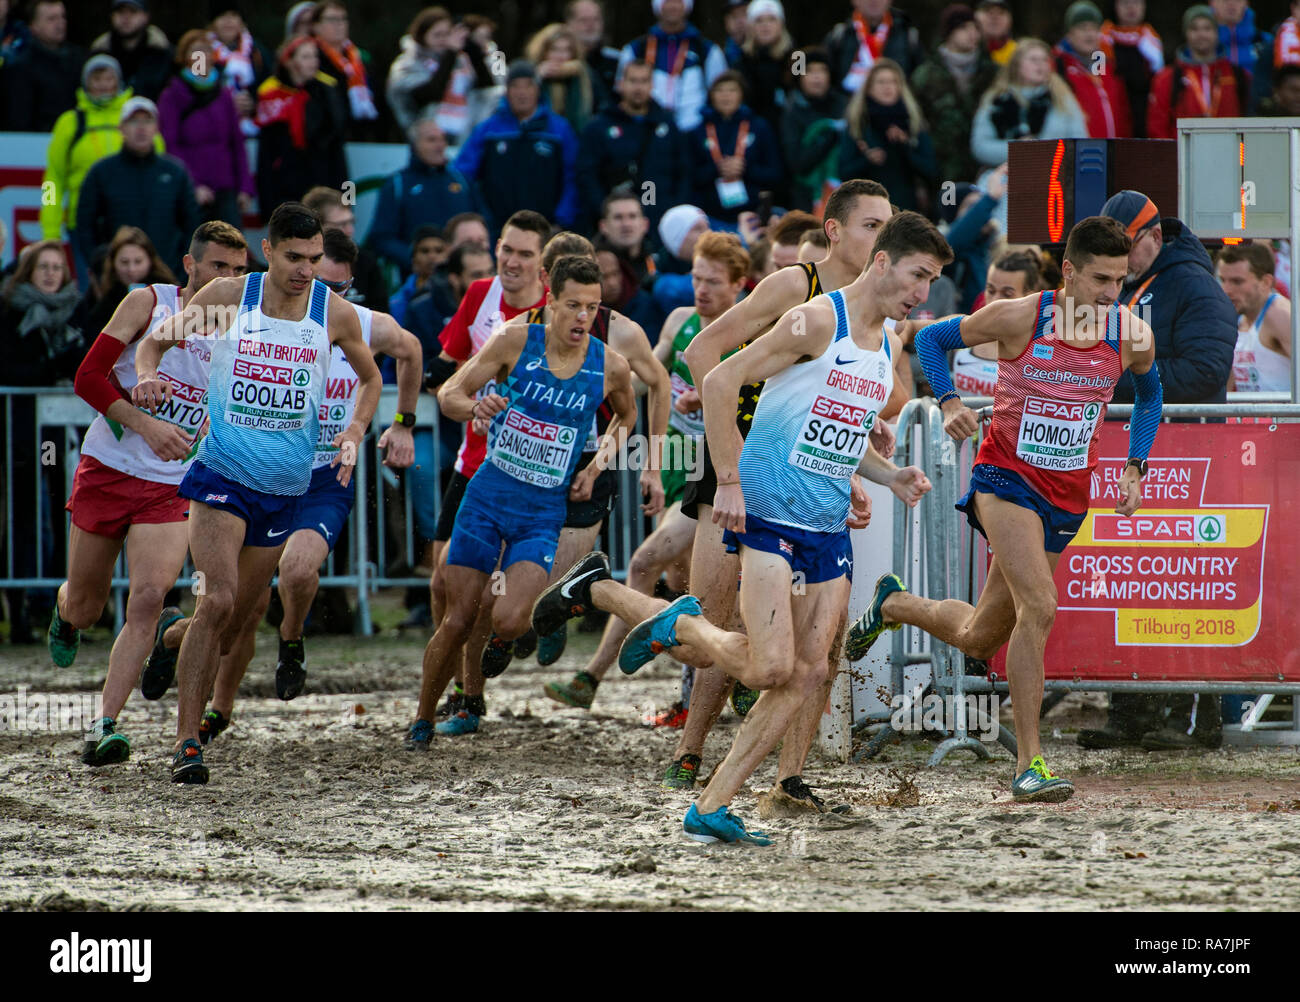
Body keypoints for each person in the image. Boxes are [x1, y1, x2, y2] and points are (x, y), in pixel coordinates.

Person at [536, 212, 941, 843]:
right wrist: (726, 480)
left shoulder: (888, 343)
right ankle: (664, 616)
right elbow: (721, 378)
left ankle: (713, 804)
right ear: (883, 262)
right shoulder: (814, 318)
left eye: (934, 282)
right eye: (919, 276)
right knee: (769, 668)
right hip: (769, 511)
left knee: (808, 673)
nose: (923, 294)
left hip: (827, 523)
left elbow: (835, 427)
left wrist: (889, 477)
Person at [853, 214, 1162, 802]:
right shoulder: (1022, 316)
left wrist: (1135, 466)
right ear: (1067, 271)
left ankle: (892, 604)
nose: (1109, 294)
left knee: (977, 637)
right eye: (1099, 279)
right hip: (1005, 480)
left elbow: (1151, 394)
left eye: (1120, 281)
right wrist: (945, 401)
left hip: (1067, 496)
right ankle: (1030, 764)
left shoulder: (1129, 333)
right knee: (1039, 607)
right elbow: (931, 340)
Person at [659, 180, 901, 795]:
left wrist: (845, 456)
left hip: (811, 479)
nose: (885, 236)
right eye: (874, 225)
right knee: (717, 619)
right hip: (742, 468)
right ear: (836, 231)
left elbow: (839, 394)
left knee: (823, 640)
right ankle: (691, 751)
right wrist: (744, 437)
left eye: (889, 224)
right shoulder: (798, 284)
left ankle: (791, 775)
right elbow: (706, 352)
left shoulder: (873, 309)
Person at [131, 202, 380, 784]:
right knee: (216, 600)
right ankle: (187, 742)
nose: (306, 270)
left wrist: (356, 429)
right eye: (295, 258)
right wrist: (147, 376)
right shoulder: (227, 298)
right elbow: (155, 344)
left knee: (237, 619)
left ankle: (170, 636)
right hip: (221, 474)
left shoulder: (333, 312)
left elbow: (371, 378)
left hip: (286, 487)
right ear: (268, 251)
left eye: (316, 259)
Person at [407, 256, 637, 748]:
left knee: (511, 619)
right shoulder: (515, 339)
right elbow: (449, 392)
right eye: (572, 304)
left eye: (592, 308)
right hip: (487, 498)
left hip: (542, 512)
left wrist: (596, 467)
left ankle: (497, 649)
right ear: (549, 299)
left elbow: (626, 419)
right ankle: (424, 717)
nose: (581, 317)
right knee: (458, 618)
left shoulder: (609, 365)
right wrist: (475, 407)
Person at [49, 222, 248, 765]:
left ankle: (103, 724)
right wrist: (144, 424)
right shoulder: (148, 302)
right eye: (216, 268)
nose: (227, 281)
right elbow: (88, 377)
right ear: (189, 265)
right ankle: (65, 610)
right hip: (109, 466)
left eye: (237, 271)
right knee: (88, 606)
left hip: (170, 487)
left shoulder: (243, 328)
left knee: (147, 599)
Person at [543, 231, 742, 711]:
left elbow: (760, 402)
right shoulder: (680, 318)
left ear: (739, 284)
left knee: (648, 566)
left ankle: (594, 676)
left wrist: (714, 398)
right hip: (676, 465)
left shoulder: (747, 329)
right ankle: (706, 688)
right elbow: (646, 373)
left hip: (715, 473)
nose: (701, 289)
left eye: (713, 281)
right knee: (680, 584)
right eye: (696, 277)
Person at [1071, 190, 1235, 752]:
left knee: (1186, 582)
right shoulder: (1119, 284)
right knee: (1135, 577)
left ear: (1155, 238)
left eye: (1128, 246)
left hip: (1191, 451)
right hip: (1135, 450)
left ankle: (1197, 719)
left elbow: (1207, 369)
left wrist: (1107, 377)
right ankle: (1132, 715)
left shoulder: (1192, 285)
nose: (1118, 258)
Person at [512, 232, 670, 685]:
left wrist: (653, 464)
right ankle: (517, 624)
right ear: (549, 284)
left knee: (563, 571)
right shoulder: (522, 328)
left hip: (591, 457)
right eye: (569, 294)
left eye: (589, 296)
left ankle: (550, 617)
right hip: (532, 460)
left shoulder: (618, 328)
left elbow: (658, 384)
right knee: (516, 568)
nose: (581, 308)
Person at [417, 211, 550, 715]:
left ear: (544, 264)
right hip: (472, 464)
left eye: (525, 254)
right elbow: (445, 370)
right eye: (506, 250)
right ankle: (457, 687)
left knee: (488, 598)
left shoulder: (554, 310)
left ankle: (472, 696)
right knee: (441, 586)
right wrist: (462, 400)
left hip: (526, 474)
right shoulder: (478, 296)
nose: (512, 262)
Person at [0, 241, 85, 643]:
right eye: (42, 267)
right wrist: (56, 362)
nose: (51, 274)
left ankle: (54, 604)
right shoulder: (11, 312)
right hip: (20, 431)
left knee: (57, 507)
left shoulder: (77, 311)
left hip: (57, 438)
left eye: (57, 267)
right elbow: (17, 369)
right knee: (23, 513)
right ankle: (19, 608)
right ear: (28, 272)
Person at [39, 54, 144, 277]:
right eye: (97, 79)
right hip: (83, 224)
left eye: (109, 78)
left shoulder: (139, 117)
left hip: (132, 222)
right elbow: (52, 180)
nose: (104, 85)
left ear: (119, 81)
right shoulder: (71, 122)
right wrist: (51, 228)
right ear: (86, 84)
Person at [75, 97, 200, 283]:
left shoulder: (175, 172)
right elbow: (85, 225)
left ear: (156, 127)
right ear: (121, 128)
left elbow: (192, 225)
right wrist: (102, 266)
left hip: (167, 277)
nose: (141, 128)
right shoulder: (102, 172)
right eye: (133, 121)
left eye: (147, 121)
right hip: (117, 281)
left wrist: (182, 270)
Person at [454, 60, 580, 231]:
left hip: (546, 228)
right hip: (496, 229)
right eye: (515, 86)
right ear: (506, 91)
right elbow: (462, 174)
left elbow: (572, 176)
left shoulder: (559, 130)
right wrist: (478, 216)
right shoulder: (488, 130)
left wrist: (562, 219)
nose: (522, 93)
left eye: (528, 86)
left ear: (538, 89)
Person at [576, 59, 689, 232]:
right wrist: (604, 210)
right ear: (621, 84)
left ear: (652, 85)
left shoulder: (668, 124)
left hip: (659, 219)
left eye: (644, 81)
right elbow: (587, 174)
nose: (638, 88)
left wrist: (672, 210)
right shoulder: (599, 126)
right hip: (615, 221)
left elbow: (683, 171)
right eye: (633, 81)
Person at [158, 29, 255, 229]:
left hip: (225, 187)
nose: (201, 57)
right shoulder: (171, 96)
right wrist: (192, 185)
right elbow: (170, 145)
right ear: (184, 58)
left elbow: (236, 143)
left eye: (205, 51)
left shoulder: (223, 94)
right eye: (195, 52)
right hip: (190, 192)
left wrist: (245, 187)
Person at [365, 115, 478, 276]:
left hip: (463, 276)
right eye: (432, 140)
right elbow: (381, 237)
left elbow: (485, 224)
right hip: (417, 282)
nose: (440, 146)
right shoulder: (397, 184)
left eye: (442, 139)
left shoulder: (462, 181)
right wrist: (419, 258)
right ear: (415, 145)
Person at [254, 36, 347, 218]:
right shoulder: (271, 94)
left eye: (315, 56)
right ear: (289, 61)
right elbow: (266, 152)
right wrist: (266, 203)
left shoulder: (327, 92)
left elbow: (337, 144)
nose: (314, 62)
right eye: (306, 57)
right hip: (286, 183)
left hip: (322, 178)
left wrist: (347, 200)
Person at [910, 5, 998, 190]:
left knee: (985, 216)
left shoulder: (993, 73)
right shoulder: (925, 76)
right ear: (948, 32)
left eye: (975, 28)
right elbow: (916, 126)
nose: (972, 33)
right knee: (948, 212)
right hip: (943, 173)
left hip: (987, 170)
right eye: (964, 28)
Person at [386, 5, 497, 143]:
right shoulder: (406, 64)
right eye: (437, 35)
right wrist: (450, 53)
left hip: (459, 141)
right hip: (418, 142)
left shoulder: (459, 62)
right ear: (421, 36)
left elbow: (486, 87)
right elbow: (431, 94)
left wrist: (471, 47)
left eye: (447, 34)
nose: (444, 40)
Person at [970, 38, 1087, 169]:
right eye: (1033, 60)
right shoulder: (996, 99)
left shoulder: (1063, 98)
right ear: (1017, 64)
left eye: (1044, 60)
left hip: (1055, 178)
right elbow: (980, 146)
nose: (1041, 65)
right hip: (1003, 178)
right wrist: (1019, 150)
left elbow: (1080, 144)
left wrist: (1043, 153)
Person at [839, 59, 935, 215]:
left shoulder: (913, 123)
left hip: (908, 211)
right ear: (868, 88)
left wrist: (906, 148)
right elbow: (844, 172)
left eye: (893, 82)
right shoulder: (858, 123)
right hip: (867, 212)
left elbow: (932, 171)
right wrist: (868, 160)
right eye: (881, 82)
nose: (887, 87)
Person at [951, 246, 1050, 398]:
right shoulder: (966, 326)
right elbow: (913, 331)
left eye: (1007, 294)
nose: (995, 301)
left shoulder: (1043, 348)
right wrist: (947, 400)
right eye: (990, 291)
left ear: (1029, 298)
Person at [689, 70, 783, 229]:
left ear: (742, 94)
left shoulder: (759, 127)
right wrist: (716, 169)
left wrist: (745, 168)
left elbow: (775, 173)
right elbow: (689, 175)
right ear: (711, 95)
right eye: (720, 90)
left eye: (732, 90)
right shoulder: (697, 131)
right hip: (711, 216)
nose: (726, 96)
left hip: (754, 215)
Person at [617, 0, 728, 133]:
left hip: (694, 133)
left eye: (678, 1)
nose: (673, 6)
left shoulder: (707, 50)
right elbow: (621, 93)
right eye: (667, 2)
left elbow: (722, 94)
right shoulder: (636, 49)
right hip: (648, 133)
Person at [1147, 5, 1249, 139]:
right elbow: (1157, 127)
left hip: (1230, 154)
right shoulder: (1167, 77)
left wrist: (1241, 158)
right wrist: (1170, 158)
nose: (1201, 34)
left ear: (1216, 32)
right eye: (1194, 28)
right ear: (1186, 33)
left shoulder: (1237, 75)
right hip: (1183, 155)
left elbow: (1249, 120)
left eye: (1207, 28)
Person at [780, 47, 848, 213]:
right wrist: (829, 138)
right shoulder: (792, 112)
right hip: (805, 197)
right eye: (809, 70)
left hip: (844, 193)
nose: (817, 76)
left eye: (822, 70)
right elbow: (797, 162)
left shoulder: (845, 106)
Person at [301, 186, 388, 313]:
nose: (350, 230)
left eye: (351, 222)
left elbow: (381, 314)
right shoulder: (298, 265)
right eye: (341, 224)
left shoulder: (366, 262)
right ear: (316, 226)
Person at [2, 0, 85, 132]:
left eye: (62, 17)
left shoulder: (79, 59)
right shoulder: (21, 67)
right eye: (51, 19)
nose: (60, 23)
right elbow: (18, 119)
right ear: (33, 26)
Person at [1219, 242, 1291, 393]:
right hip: (1254, 416)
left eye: (1237, 281)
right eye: (1223, 280)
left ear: (1265, 282)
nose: (1226, 290)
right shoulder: (1240, 320)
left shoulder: (1280, 314)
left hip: (1284, 417)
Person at [1054, 1, 1132, 139]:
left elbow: (1123, 114)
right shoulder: (1058, 67)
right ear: (1069, 33)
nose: (1089, 35)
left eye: (1094, 29)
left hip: (1112, 153)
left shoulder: (1107, 67)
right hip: (1077, 154)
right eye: (1083, 28)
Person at [80, 225, 176, 336]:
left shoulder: (169, 294)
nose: (132, 269)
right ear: (113, 262)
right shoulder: (102, 299)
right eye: (124, 262)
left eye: (138, 261)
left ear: (150, 260)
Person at [823, 0, 926, 95]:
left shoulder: (908, 36)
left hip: (896, 110)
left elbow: (918, 81)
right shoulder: (839, 36)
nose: (874, 1)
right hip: (846, 109)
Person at [310, 0, 378, 134]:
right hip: (325, 133)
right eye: (332, 19)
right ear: (316, 26)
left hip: (361, 132)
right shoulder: (311, 56)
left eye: (343, 19)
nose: (339, 24)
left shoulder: (359, 57)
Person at [208, 3, 275, 138]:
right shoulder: (200, 51)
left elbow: (270, 86)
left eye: (233, 15)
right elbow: (194, 89)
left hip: (252, 131)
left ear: (241, 22)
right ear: (212, 23)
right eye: (222, 16)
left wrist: (254, 103)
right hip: (213, 131)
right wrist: (225, 102)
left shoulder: (257, 52)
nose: (228, 21)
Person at [732, 0, 794, 141]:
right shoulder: (741, 60)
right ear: (750, 26)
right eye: (759, 20)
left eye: (772, 19)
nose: (765, 25)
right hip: (753, 134)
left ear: (781, 24)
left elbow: (801, 94)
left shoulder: (797, 56)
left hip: (789, 132)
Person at [1101, 0, 1163, 138]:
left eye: (1136, 2)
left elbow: (1160, 85)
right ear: (1115, 6)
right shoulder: (1101, 41)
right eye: (1125, 3)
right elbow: (1095, 81)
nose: (1131, 7)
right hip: (1113, 116)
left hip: (1144, 119)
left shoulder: (1153, 41)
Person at [89, 0, 171, 103]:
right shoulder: (98, 53)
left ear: (146, 16)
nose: (126, 17)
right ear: (111, 16)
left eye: (133, 11)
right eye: (120, 12)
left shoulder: (163, 53)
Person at [526, 23, 600, 135]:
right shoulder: (532, 74)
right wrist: (537, 78)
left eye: (566, 50)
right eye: (555, 50)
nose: (561, 56)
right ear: (543, 52)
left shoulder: (584, 74)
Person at [1212, 0, 1273, 109]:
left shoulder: (1267, 43)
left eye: (1237, 0)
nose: (1231, 4)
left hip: (1258, 117)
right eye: (1224, 0)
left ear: (1247, 3)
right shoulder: (1200, 47)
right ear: (1212, 2)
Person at [566, 0, 620, 103]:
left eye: (596, 19)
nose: (590, 25)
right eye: (583, 20)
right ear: (569, 24)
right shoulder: (558, 60)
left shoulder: (617, 60)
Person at [974, 0, 1015, 65]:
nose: (995, 17)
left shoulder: (1019, 54)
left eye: (1001, 12)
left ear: (1010, 20)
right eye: (988, 12)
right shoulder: (964, 51)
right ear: (975, 17)